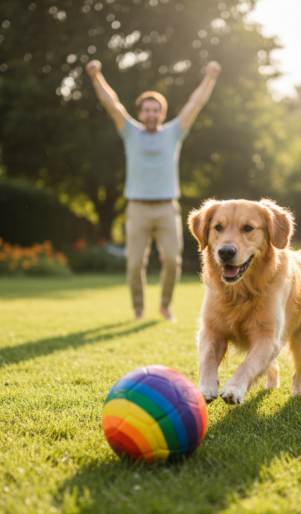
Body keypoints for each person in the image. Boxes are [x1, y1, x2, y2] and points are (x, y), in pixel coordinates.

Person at [86, 59, 221, 322]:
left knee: (172, 260)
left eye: (155, 110)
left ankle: (165, 306)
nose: (150, 114)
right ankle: (138, 310)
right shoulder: (129, 132)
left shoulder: (173, 133)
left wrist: (210, 78)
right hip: (137, 208)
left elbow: (195, 104)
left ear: (162, 113)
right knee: (135, 264)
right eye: (146, 110)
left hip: (166, 207)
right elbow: (111, 102)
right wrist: (96, 76)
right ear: (140, 113)